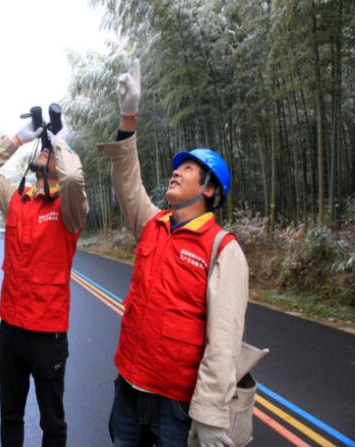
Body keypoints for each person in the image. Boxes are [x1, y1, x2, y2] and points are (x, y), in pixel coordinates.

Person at [99, 59, 249, 447]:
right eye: (177, 165)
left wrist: (211, 416)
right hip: (128, 390)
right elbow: (128, 181)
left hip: (175, 407)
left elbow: (224, 341)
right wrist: (128, 116)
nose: (177, 171)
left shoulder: (223, 250)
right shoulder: (153, 222)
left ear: (210, 190)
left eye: (189, 167)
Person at [0, 117, 88, 447]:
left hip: (47, 337)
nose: (45, 152)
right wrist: (17, 138)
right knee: (10, 417)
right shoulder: (15, 201)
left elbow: (72, 178)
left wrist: (60, 142)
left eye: (50, 153)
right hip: (9, 332)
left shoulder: (70, 210)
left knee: (52, 423)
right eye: (43, 150)